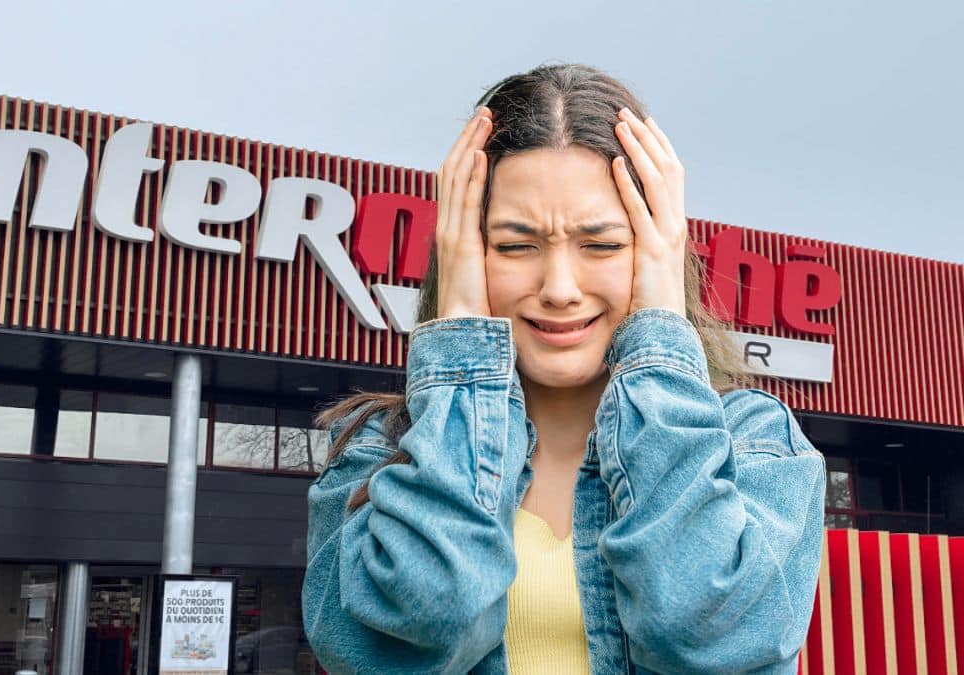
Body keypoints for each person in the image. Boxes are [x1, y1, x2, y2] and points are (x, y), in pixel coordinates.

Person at [301, 63, 827, 674]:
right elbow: (404, 640)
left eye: (602, 245)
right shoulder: (379, 451)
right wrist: (464, 342)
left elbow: (704, 639)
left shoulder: (755, 442)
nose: (558, 288)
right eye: (515, 245)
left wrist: (658, 332)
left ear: (658, 250)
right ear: (463, 251)